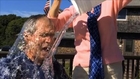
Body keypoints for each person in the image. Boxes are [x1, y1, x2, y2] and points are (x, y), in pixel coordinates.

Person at [44, 0, 132, 79]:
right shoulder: (73, 10)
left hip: (111, 65)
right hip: (82, 68)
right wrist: (57, 1)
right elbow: (51, 25)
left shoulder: (110, 2)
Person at [0, 14, 69, 79]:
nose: (49, 40)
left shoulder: (56, 68)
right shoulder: (10, 66)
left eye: (52, 35)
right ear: (27, 36)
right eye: (44, 35)